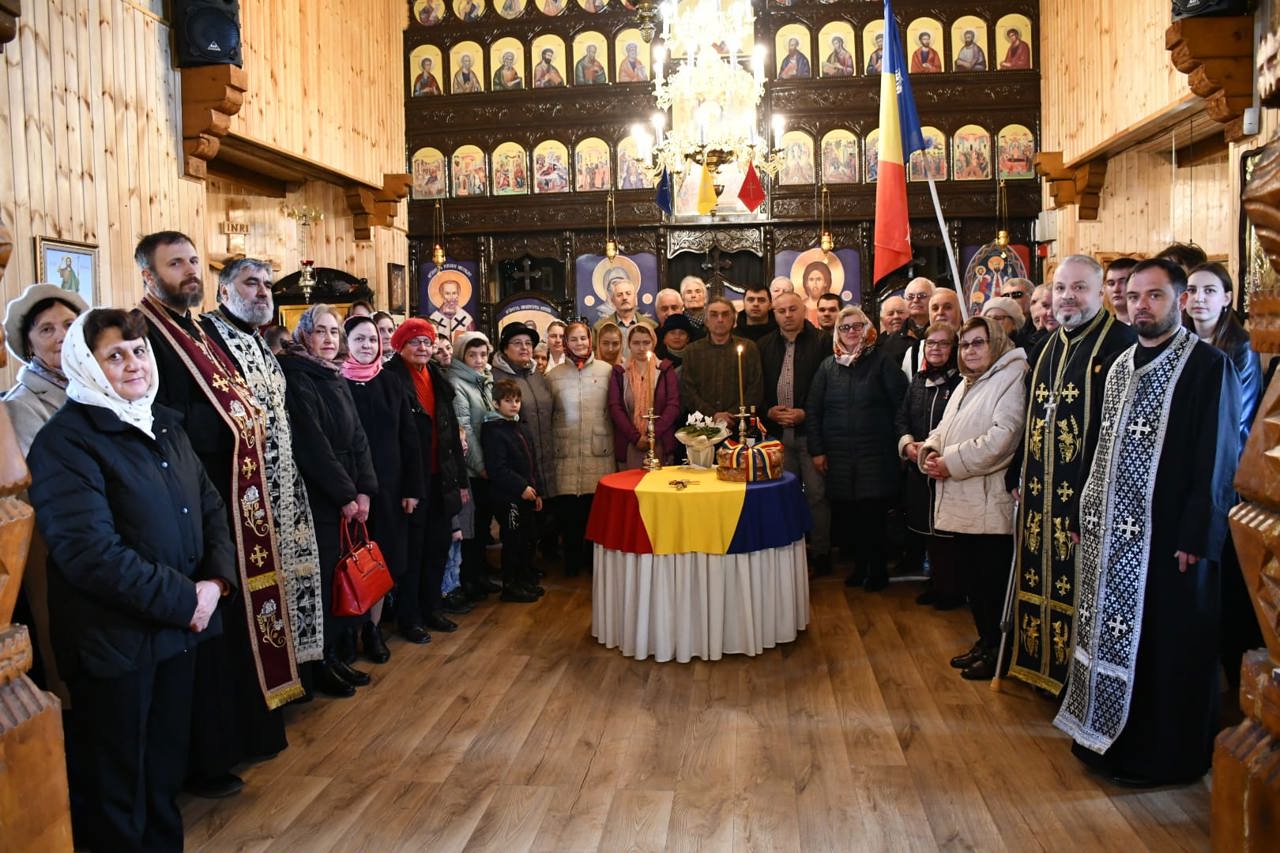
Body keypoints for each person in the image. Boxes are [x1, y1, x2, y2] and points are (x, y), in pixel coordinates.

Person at [28, 307, 237, 851]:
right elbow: (89, 552)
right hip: (114, 642)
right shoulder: (66, 442)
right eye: (114, 355)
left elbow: (211, 509)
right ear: (86, 364)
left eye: (139, 351)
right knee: (116, 787)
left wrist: (215, 584)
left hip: (179, 631)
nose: (132, 364)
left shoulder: (162, 421)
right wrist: (185, 599)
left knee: (164, 774)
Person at [1055, 258, 1241, 787]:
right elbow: (1098, 443)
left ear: (1179, 301)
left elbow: (1218, 457)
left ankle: (1165, 757)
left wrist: (1197, 535)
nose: (1141, 305)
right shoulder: (1120, 363)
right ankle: (1105, 741)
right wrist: (1080, 511)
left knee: (1167, 644)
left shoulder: (1207, 367)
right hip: (1110, 535)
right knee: (1108, 635)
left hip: (1171, 540)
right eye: (1134, 297)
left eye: (1154, 296)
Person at [134, 231, 296, 798]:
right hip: (195, 494)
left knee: (242, 620)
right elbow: (159, 412)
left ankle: (246, 736)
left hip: (234, 490)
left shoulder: (198, 329)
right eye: (175, 264)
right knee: (213, 628)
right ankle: (205, 757)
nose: (189, 271)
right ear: (150, 277)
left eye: (194, 261)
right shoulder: (144, 331)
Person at [1004, 254, 1136, 696]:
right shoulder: (1047, 345)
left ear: (1101, 293)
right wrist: (1018, 471)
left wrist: (1089, 497)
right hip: (1040, 491)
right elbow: (1029, 419)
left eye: (1079, 288)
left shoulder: (1121, 344)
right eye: (1061, 288)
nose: (1067, 297)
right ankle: (1039, 665)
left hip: (1086, 496)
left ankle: (1076, 681)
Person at [199, 259, 326, 674]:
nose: (262, 292)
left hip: (284, 487)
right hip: (242, 494)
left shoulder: (259, 342)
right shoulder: (207, 339)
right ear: (223, 291)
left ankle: (296, 669)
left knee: (293, 582)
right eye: (251, 283)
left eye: (267, 285)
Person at [278, 305, 378, 696]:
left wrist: (366, 489)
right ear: (304, 335)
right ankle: (320, 663)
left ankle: (338, 655)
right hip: (320, 497)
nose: (329, 339)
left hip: (349, 492)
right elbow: (313, 443)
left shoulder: (334, 375)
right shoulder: (297, 375)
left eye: (334, 332)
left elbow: (359, 437)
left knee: (344, 576)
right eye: (320, 331)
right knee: (322, 582)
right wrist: (344, 495)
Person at [920, 316, 1027, 679]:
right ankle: (984, 642)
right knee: (974, 583)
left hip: (988, 501)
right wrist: (931, 450)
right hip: (963, 499)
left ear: (995, 342)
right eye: (965, 344)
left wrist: (951, 463)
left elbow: (1004, 439)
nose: (970, 350)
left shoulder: (1012, 375)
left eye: (978, 343)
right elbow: (946, 428)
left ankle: (1000, 653)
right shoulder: (970, 381)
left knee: (991, 582)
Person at [1185, 261, 1263, 693]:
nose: (1199, 298)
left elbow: (1235, 421)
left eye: (1209, 291)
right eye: (1192, 290)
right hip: (1191, 471)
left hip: (1226, 479)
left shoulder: (1240, 347)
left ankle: (1233, 681)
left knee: (1226, 580)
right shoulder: (1180, 343)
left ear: (1228, 298)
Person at [806, 306, 909, 589]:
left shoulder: (882, 361)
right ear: (837, 333)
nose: (851, 332)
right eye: (844, 327)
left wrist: (901, 445)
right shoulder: (828, 367)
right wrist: (817, 451)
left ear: (867, 329)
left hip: (876, 454)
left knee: (873, 517)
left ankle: (877, 572)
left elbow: (901, 405)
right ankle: (859, 567)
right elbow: (813, 411)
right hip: (838, 456)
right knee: (850, 517)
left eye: (856, 326)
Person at [341, 315, 423, 662]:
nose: (366, 346)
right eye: (359, 340)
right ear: (346, 343)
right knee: (346, 562)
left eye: (372, 340)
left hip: (389, 488)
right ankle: (347, 633)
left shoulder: (391, 382)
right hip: (348, 489)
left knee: (381, 560)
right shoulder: (335, 382)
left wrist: (412, 489)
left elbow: (409, 438)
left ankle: (373, 630)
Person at [382, 318, 468, 635]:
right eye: (415, 342)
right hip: (411, 482)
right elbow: (391, 440)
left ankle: (433, 608)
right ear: (401, 346)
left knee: (437, 547)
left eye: (427, 342)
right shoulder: (390, 378)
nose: (422, 348)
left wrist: (460, 482)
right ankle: (410, 617)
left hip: (440, 476)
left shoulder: (436, 375)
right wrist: (407, 487)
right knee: (412, 552)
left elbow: (451, 435)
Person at [760, 292, 834, 575]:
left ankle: (821, 553)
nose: (787, 315)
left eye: (793, 309)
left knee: (816, 494)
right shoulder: (764, 345)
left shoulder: (822, 343)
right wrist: (768, 410)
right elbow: (758, 387)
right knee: (782, 494)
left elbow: (830, 387)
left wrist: (805, 412)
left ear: (804, 310)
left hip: (810, 432)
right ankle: (788, 552)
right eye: (781, 311)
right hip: (776, 433)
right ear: (774, 313)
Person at [897, 321, 963, 609]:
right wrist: (907, 444)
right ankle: (936, 583)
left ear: (953, 348)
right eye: (931, 343)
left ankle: (953, 590)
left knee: (948, 535)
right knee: (927, 530)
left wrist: (938, 453)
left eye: (943, 343)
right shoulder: (917, 381)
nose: (936, 348)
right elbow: (901, 417)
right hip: (917, 466)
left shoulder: (961, 382)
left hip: (946, 467)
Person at [546, 321, 614, 575]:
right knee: (569, 514)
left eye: (583, 339)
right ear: (565, 343)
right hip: (565, 451)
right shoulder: (553, 376)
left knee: (595, 510)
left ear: (590, 340)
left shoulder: (608, 371)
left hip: (599, 451)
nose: (579, 344)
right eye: (573, 340)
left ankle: (594, 564)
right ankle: (572, 562)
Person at [449, 331, 503, 602]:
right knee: (470, 528)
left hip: (487, 467)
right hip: (472, 470)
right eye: (473, 355)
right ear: (462, 356)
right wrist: (482, 466)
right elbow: (465, 431)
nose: (479, 360)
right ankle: (469, 580)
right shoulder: (457, 383)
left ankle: (480, 574)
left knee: (482, 526)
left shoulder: (484, 381)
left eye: (483, 354)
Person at [3, 282, 88, 454]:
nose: (63, 336)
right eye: (47, 329)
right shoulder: (19, 406)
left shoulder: (97, 384)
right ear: (28, 345)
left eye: (69, 324)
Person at [482, 380, 544, 602]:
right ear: (496, 403)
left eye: (517, 400)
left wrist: (536, 491)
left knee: (528, 538)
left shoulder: (520, 426)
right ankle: (511, 585)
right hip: (508, 497)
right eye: (508, 401)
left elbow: (531, 462)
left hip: (527, 495)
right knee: (512, 540)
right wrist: (521, 487)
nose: (514, 405)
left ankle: (524, 579)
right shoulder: (493, 430)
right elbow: (498, 469)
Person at [680, 297, 764, 422]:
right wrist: (712, 415)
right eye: (714, 315)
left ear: (733, 320)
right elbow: (688, 391)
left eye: (725, 314)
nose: (720, 319)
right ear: (706, 321)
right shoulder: (692, 351)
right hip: (703, 426)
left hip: (739, 424)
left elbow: (755, 389)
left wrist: (732, 415)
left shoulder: (749, 348)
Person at [608, 324, 680, 468]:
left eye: (646, 343)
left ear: (654, 342)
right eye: (636, 343)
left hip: (659, 441)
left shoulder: (665, 370)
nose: (641, 348)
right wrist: (636, 438)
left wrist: (652, 435)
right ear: (628, 344)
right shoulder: (620, 372)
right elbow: (615, 407)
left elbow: (673, 405)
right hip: (630, 442)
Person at [903, 288, 962, 379]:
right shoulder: (914, 352)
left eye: (947, 307)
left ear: (960, 313)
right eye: (935, 308)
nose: (940, 312)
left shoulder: (971, 346)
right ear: (930, 315)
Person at [593, 268, 656, 341]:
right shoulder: (599, 328)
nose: (624, 298)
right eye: (619, 295)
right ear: (613, 300)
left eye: (628, 293)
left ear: (635, 297)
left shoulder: (651, 326)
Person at [1105, 257, 1139, 324]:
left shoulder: (1153, 329)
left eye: (1123, 282)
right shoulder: (1101, 330)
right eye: (1111, 283)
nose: (1116, 289)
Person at [800, 262, 834, 326]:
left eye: (818, 279)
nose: (815, 283)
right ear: (806, 283)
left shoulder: (833, 305)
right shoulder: (800, 306)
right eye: (811, 279)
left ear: (825, 283)